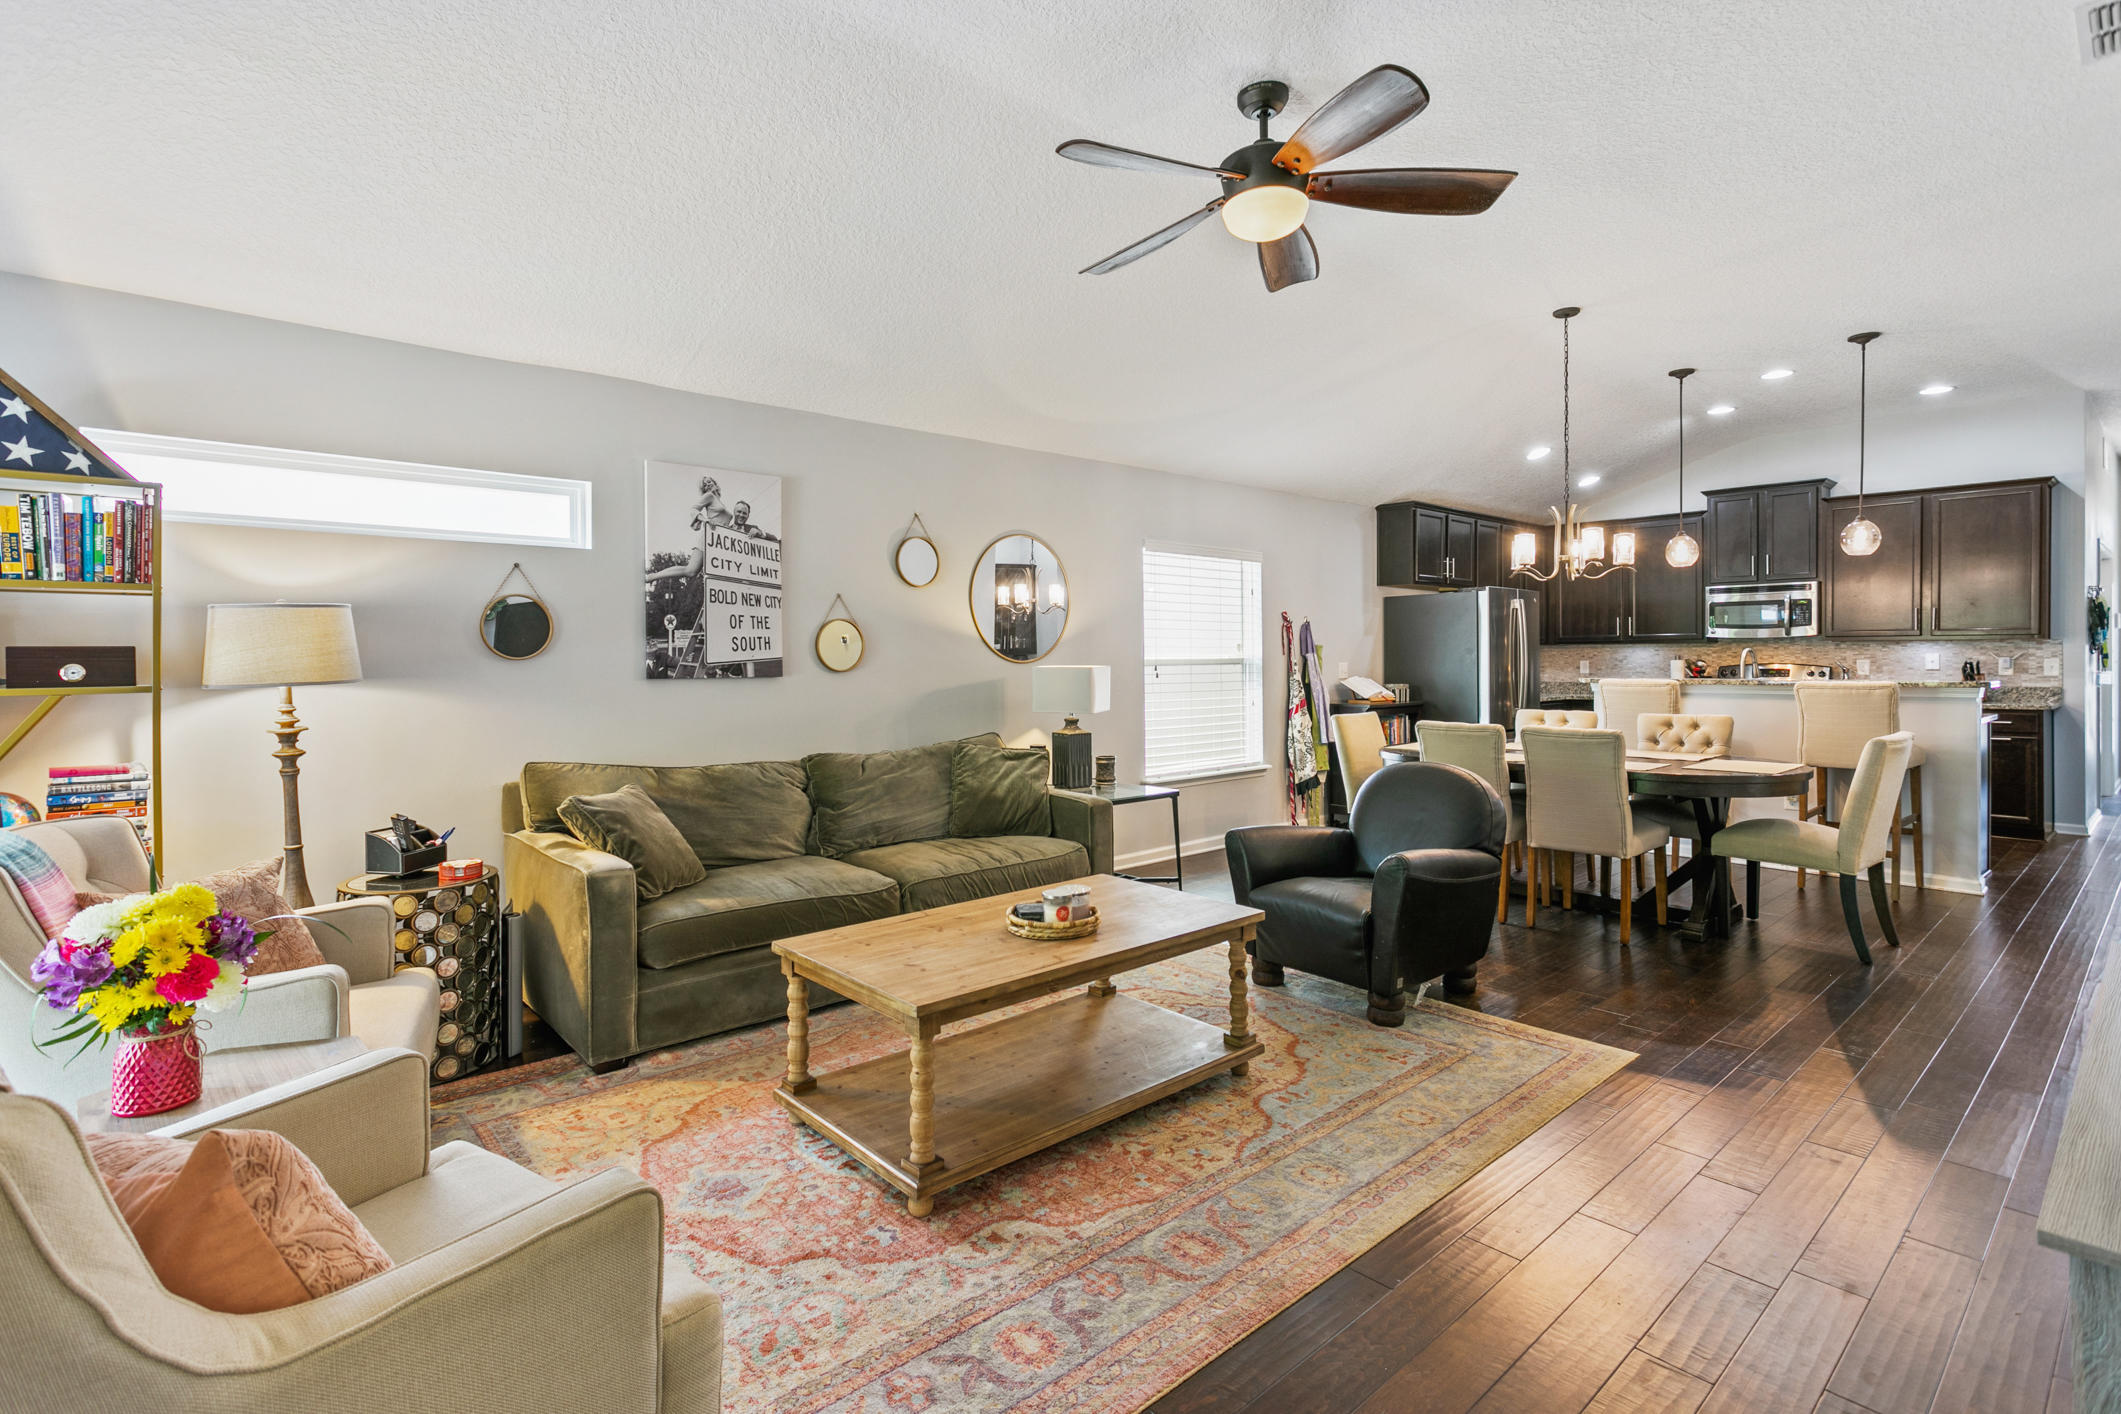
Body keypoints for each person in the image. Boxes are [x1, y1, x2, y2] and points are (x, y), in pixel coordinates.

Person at [647, 477, 735, 582]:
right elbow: (693, 509)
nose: (708, 485)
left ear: (715, 482)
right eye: (705, 485)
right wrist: (705, 520)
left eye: (709, 482)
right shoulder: (709, 496)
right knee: (691, 570)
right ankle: (653, 576)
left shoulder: (718, 500)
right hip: (709, 537)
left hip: (721, 542)